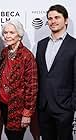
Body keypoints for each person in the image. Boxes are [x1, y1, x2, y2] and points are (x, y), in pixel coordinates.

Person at [36, 4, 76, 140]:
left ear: (66, 20)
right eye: (50, 18)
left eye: (57, 17)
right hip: (44, 107)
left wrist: (72, 105)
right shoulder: (41, 45)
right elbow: (40, 76)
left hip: (64, 108)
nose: (53, 21)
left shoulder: (74, 45)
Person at [0, 19, 38, 140]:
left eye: (12, 32)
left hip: (18, 108)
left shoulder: (27, 56)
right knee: (8, 135)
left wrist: (27, 113)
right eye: (5, 33)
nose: (8, 36)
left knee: (15, 137)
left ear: (19, 35)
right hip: (3, 105)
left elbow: (32, 87)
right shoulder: (5, 52)